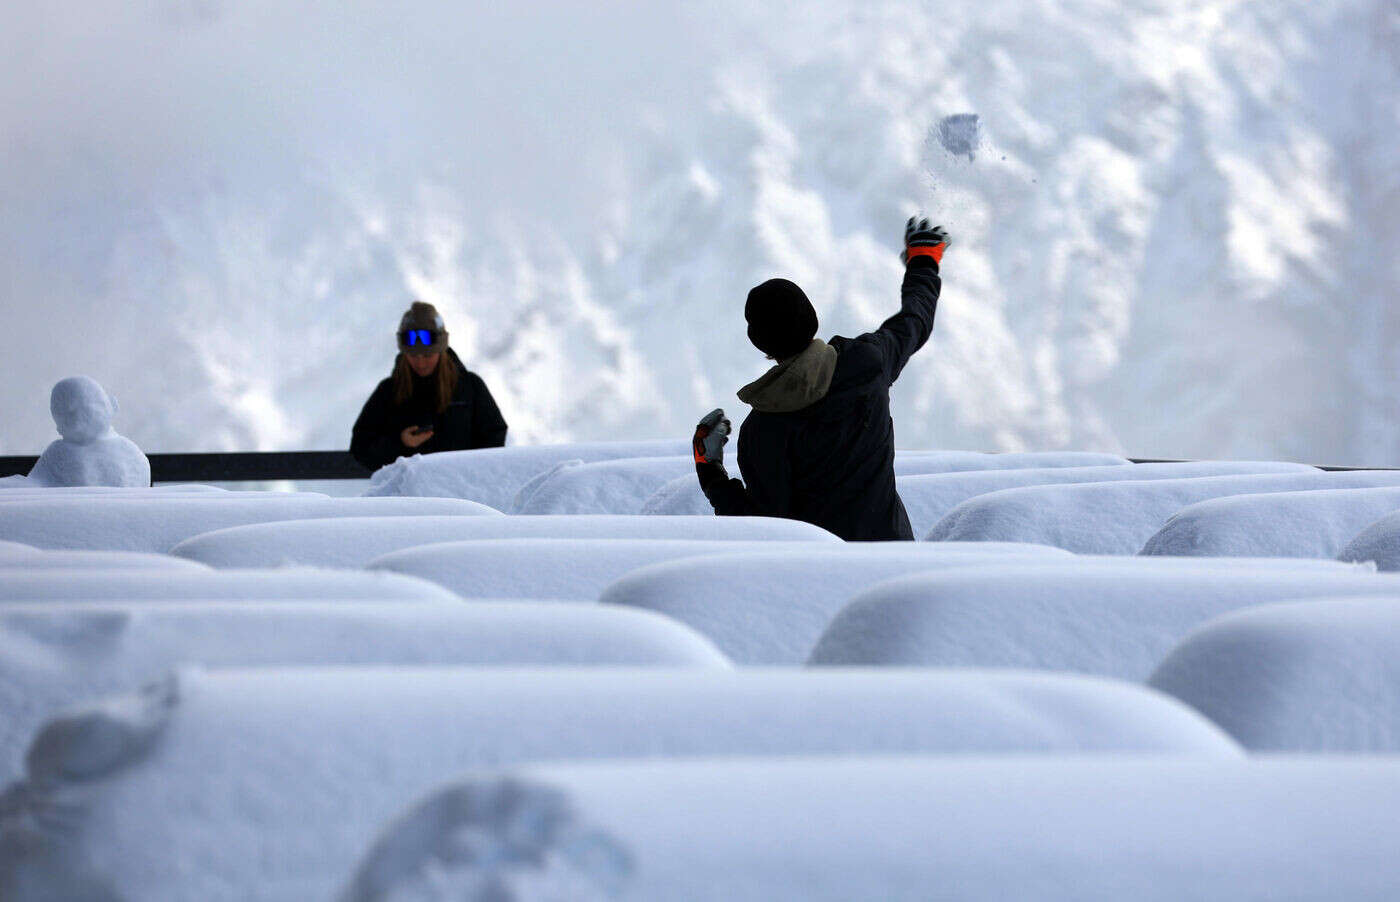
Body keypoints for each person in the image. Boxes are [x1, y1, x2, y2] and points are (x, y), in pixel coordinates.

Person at [691, 217, 947, 541]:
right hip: (896, 562)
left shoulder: (763, 431)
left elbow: (765, 528)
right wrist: (924, 257)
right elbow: (915, 319)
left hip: (822, 581)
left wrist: (710, 470)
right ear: (811, 317)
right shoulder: (867, 364)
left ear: (759, 343)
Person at [350, 301, 508, 470]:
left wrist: (467, 471)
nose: (420, 362)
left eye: (427, 354)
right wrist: (401, 443)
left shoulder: (470, 387)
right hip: (407, 494)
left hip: (459, 492)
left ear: (441, 350)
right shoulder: (388, 392)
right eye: (413, 355)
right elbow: (361, 448)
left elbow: (494, 438)